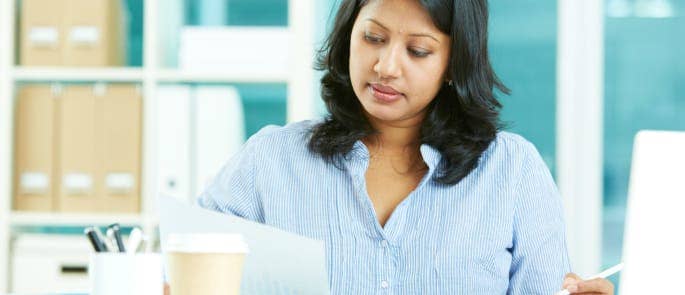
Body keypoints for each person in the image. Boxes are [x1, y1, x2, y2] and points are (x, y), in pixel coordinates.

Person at [193, 0, 616, 294]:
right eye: (373, 38)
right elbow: (184, 272)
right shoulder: (272, 160)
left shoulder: (512, 170)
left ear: (453, 64)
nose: (386, 67)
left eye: (418, 51)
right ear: (347, 38)